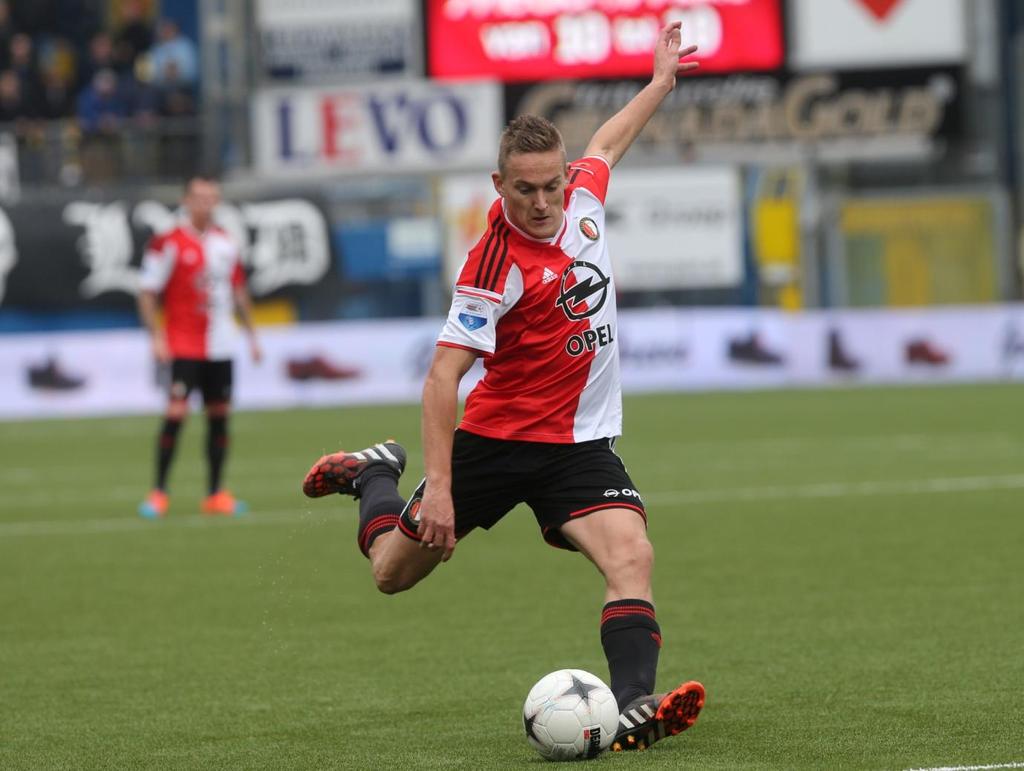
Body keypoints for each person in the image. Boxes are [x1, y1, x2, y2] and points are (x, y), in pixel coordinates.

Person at [302, 21, 703, 753]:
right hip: (496, 441)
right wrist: (445, 489)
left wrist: (661, 83)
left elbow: (608, 142)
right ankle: (372, 475)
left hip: (577, 444)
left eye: (552, 184)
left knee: (631, 556)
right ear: (499, 185)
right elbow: (441, 378)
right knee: (391, 573)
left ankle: (634, 703)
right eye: (526, 190)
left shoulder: (580, 194)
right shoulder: (493, 265)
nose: (544, 201)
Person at [137, 174, 262, 518]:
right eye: (200, 197)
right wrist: (157, 337)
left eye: (212, 198)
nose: (206, 204)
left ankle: (215, 493)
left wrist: (252, 336)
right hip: (182, 344)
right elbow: (148, 292)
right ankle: (159, 492)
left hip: (221, 343)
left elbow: (238, 290)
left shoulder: (226, 243)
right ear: (186, 200)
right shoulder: (168, 242)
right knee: (176, 413)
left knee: (219, 416)